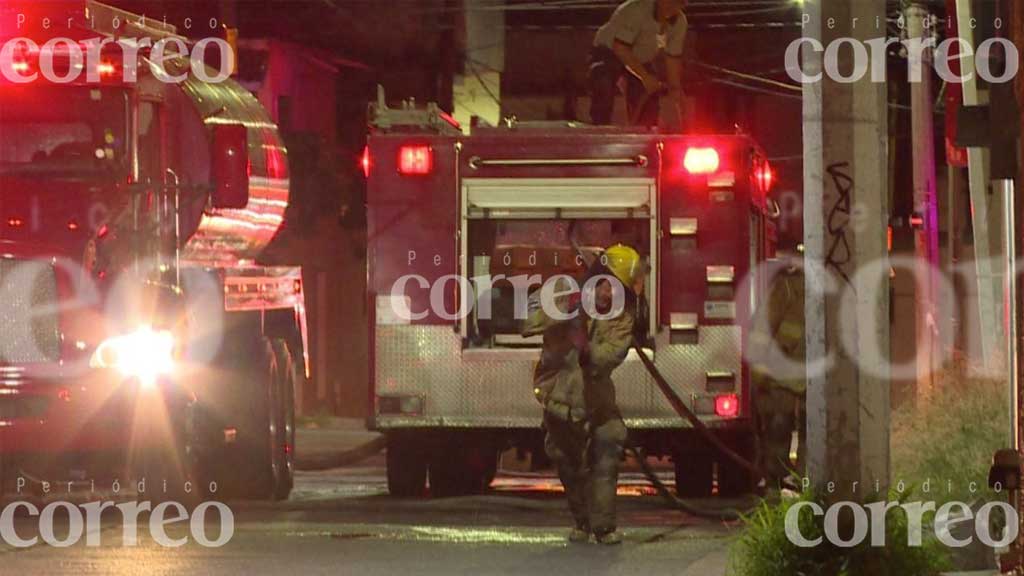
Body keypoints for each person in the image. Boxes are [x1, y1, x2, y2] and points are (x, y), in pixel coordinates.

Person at [523, 244, 645, 545]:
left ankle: (603, 528)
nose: (609, 294)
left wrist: (585, 347)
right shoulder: (564, 293)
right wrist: (565, 312)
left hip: (597, 403)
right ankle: (582, 522)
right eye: (606, 284)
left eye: (617, 290)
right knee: (567, 463)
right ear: (596, 276)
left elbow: (610, 356)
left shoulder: (622, 318)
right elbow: (528, 323)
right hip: (558, 403)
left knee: (607, 456)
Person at [748, 247, 807, 493]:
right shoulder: (790, 289)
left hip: (792, 378)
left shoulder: (791, 287)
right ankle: (784, 484)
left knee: (790, 431)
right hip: (789, 379)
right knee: (787, 430)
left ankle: (788, 486)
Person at [588, 0, 687, 127]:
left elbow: (672, 57)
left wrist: (675, 89)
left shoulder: (679, 22)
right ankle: (600, 129)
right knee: (603, 80)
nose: (669, 5)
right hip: (609, 52)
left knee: (649, 98)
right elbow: (620, 48)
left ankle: (644, 133)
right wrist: (645, 77)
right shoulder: (636, 9)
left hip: (641, 58)